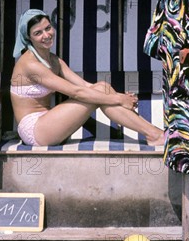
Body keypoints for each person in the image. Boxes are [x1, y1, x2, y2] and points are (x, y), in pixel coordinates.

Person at [10, 9, 165, 147]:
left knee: (102, 87)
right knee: (100, 94)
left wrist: (119, 96)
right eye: (38, 33)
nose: (46, 35)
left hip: (50, 122)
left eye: (48, 28)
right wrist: (119, 99)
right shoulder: (30, 64)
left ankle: (153, 133)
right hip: (35, 131)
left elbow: (85, 86)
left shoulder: (53, 60)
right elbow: (77, 93)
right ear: (28, 38)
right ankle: (154, 134)